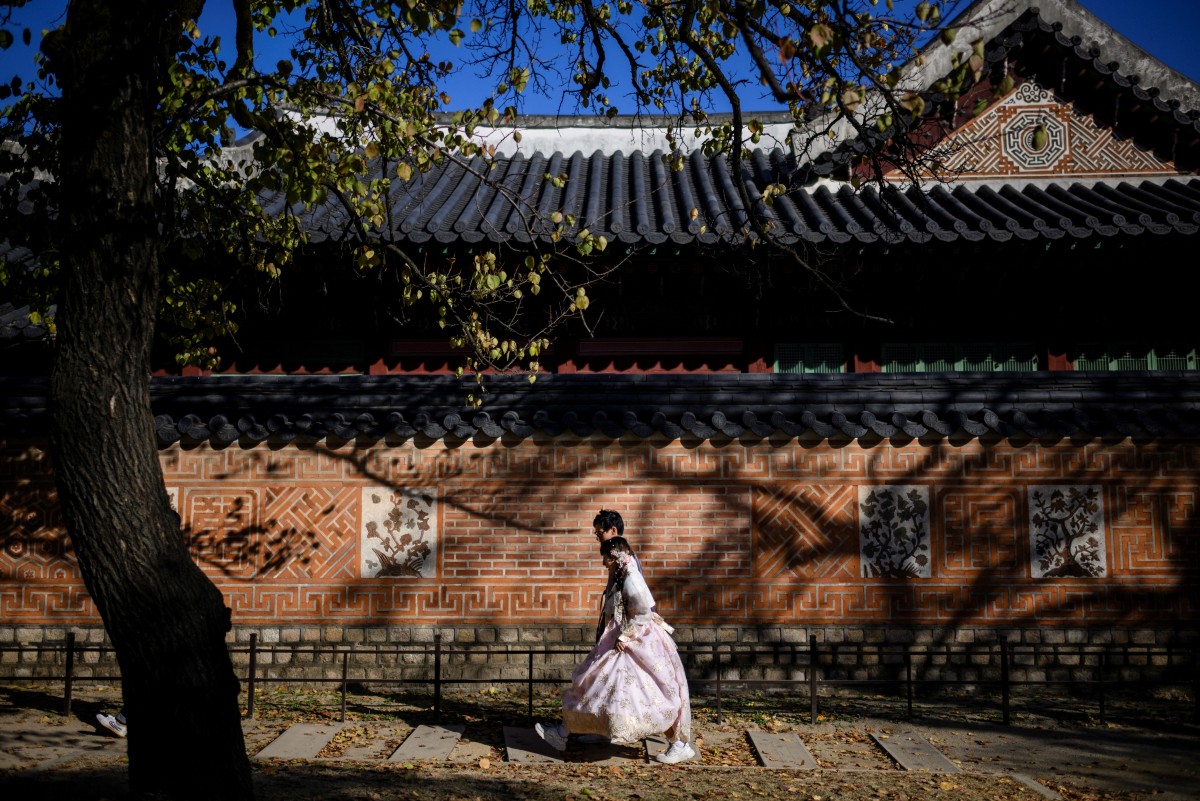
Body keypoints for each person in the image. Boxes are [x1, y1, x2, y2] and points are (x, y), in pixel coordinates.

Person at [537, 536, 695, 764]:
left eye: (605, 558)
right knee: (595, 682)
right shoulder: (623, 572)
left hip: (639, 641)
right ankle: (569, 732)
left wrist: (625, 636)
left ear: (615, 557)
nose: (603, 563)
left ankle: (679, 744)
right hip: (622, 637)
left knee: (651, 693)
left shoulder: (631, 579)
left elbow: (644, 614)